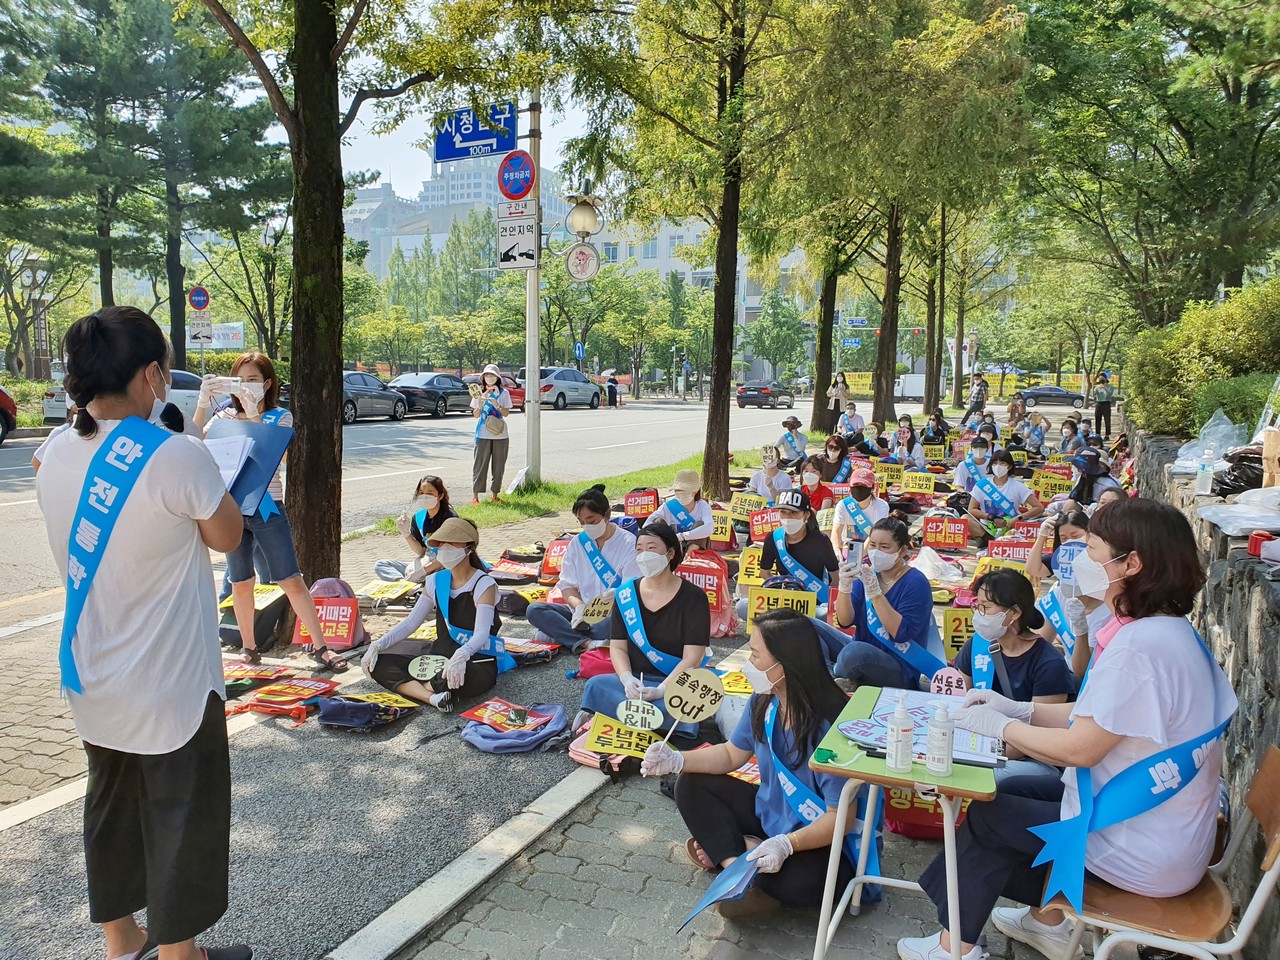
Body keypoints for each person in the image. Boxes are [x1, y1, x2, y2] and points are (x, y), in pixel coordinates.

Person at [899, 498, 1238, 960]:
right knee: (1006, 796)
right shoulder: (1172, 632)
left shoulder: (1138, 651)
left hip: (1140, 851)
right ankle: (1046, 923)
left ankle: (954, 946)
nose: (1079, 562)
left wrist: (1001, 726)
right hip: (1165, 834)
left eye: (1092, 549)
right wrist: (1018, 710)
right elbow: (1099, 718)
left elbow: (1079, 749)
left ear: (1131, 564)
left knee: (987, 819)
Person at [36, 307, 253, 960]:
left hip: (93, 676)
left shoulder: (50, 454)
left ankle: (121, 942)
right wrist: (184, 442)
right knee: (180, 813)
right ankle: (179, 957)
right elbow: (227, 535)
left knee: (110, 812)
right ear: (153, 375)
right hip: (170, 685)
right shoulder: (176, 455)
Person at [639, 609, 864, 916]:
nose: (748, 665)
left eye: (756, 656)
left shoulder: (829, 725)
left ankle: (738, 852)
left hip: (815, 840)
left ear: (786, 664)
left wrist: (787, 845)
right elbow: (731, 754)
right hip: (770, 818)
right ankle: (737, 874)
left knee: (814, 882)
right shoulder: (764, 699)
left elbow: (841, 818)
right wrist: (675, 760)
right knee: (689, 783)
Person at [206, 352, 348, 672]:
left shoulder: (279, 417)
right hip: (230, 510)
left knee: (290, 579)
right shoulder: (222, 418)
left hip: (267, 506)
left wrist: (254, 412)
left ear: (267, 383)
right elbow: (196, 447)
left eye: (253, 380)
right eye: (240, 380)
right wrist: (203, 403)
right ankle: (249, 647)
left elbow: (273, 454)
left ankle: (321, 647)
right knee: (241, 581)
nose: (245, 386)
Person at [361, 518, 511, 712]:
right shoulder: (435, 581)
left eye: (452, 542)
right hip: (438, 658)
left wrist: (462, 654)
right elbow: (411, 622)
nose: (445, 548)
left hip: (475, 659)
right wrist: (378, 644)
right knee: (377, 663)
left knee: (456, 677)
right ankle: (433, 698)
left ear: (469, 547)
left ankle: (418, 689)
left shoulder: (483, 584)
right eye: (441, 543)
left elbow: (481, 634)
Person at [576, 524, 710, 731]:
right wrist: (627, 679)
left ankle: (620, 716)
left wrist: (662, 690)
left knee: (689, 701)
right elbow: (618, 647)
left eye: (652, 548)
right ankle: (652, 722)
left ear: (671, 553)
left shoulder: (693, 597)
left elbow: (692, 658)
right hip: (636, 682)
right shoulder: (625, 594)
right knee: (596, 685)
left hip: (675, 682)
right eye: (639, 549)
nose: (643, 554)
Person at [955, 570, 1073, 781]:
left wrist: (976, 758)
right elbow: (957, 701)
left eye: (986, 607)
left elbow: (1039, 736)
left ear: (1014, 613)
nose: (978, 614)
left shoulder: (1049, 663)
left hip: (1031, 758)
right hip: (975, 743)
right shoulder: (976, 646)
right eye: (977, 605)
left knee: (982, 778)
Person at [527, 485, 642, 652]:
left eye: (592, 521)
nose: (587, 527)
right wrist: (579, 608)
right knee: (534, 610)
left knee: (610, 624)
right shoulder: (577, 544)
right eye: (582, 523)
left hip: (612, 612)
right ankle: (586, 643)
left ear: (607, 515)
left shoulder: (628, 543)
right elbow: (567, 586)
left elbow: (631, 588)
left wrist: (614, 596)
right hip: (581, 614)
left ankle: (564, 636)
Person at [829, 518, 936, 690]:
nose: (876, 552)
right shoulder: (866, 573)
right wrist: (845, 587)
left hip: (898, 665)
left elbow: (900, 633)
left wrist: (876, 594)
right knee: (807, 626)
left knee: (853, 653)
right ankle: (842, 678)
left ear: (902, 551)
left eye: (884, 547)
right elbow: (845, 621)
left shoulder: (916, 582)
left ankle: (833, 677)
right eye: (872, 545)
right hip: (862, 648)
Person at [735, 490, 837, 620]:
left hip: (812, 605)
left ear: (806, 515)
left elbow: (836, 578)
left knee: (824, 614)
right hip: (782, 601)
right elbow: (764, 573)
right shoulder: (773, 537)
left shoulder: (821, 541)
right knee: (742, 606)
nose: (788, 517)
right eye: (783, 512)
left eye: (794, 513)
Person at [374, 475, 457, 582]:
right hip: (427, 560)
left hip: (445, 565)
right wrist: (406, 534)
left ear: (440, 496)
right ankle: (403, 584)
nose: (425, 496)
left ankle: (416, 585)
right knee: (381, 565)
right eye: (421, 493)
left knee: (436, 576)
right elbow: (421, 551)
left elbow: (450, 556)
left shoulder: (450, 518)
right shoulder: (419, 517)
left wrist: (422, 572)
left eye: (430, 493)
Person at [966, 450, 1044, 541]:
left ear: (1009, 466)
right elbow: (971, 509)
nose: (998, 466)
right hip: (987, 527)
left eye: (1002, 463)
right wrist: (992, 518)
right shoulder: (983, 484)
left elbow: (1039, 507)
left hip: (1010, 528)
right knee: (965, 518)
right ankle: (987, 541)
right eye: (995, 463)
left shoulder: (1018, 486)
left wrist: (1019, 518)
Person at [471, 363, 512, 505]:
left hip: (500, 435)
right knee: (480, 466)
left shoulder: (504, 393)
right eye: (487, 375)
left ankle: (495, 494)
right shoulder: (478, 393)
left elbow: (506, 413)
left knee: (498, 466)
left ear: (497, 377)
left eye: (492, 375)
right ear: (483, 378)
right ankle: (475, 496)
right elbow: (475, 414)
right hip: (482, 435)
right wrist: (480, 404)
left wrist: (497, 405)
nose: (489, 378)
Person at [648, 469, 714, 550]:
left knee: (700, 525)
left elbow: (709, 528)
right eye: (678, 491)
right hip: (672, 547)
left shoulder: (703, 506)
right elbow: (649, 522)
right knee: (657, 522)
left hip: (694, 549)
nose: (682, 494)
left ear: (695, 491)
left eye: (685, 491)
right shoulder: (669, 506)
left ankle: (688, 558)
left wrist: (682, 536)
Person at [830, 467, 889, 553]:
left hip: (872, 548)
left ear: (872, 488)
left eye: (864, 486)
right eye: (856, 485)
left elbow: (876, 534)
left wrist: (859, 557)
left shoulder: (881, 505)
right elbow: (836, 531)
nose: (859, 489)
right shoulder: (843, 505)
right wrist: (836, 552)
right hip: (847, 547)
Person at [1092, 374, 1116, 439]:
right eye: (1100, 379)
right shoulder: (1097, 387)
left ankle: (1107, 435)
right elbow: (1093, 395)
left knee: (1107, 419)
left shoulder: (1110, 387)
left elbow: (1109, 395)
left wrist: (1104, 388)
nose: (1101, 380)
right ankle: (1098, 434)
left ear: (1105, 379)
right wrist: (1093, 386)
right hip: (1099, 403)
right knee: (1097, 419)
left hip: (1106, 404)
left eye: (1102, 378)